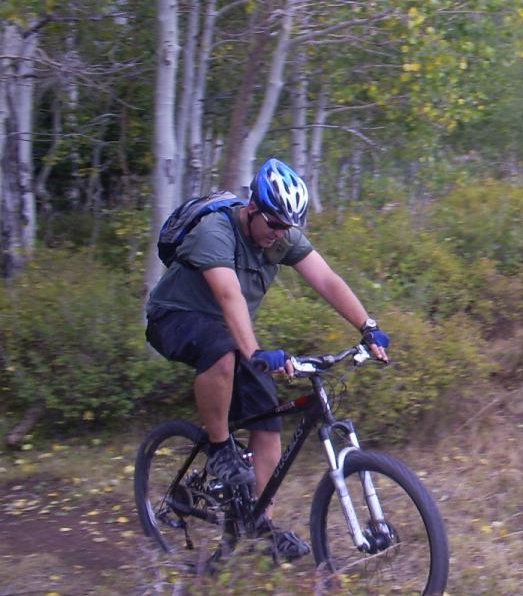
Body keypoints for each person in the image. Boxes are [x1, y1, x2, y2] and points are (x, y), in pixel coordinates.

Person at [145, 157, 390, 559]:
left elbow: (326, 278)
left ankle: (259, 524)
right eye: (274, 224)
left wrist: (367, 325)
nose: (279, 235)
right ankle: (221, 450)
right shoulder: (216, 232)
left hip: (228, 329)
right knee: (222, 352)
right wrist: (255, 352)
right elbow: (228, 296)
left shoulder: (281, 234)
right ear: (253, 208)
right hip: (174, 318)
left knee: (269, 418)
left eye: (287, 228)